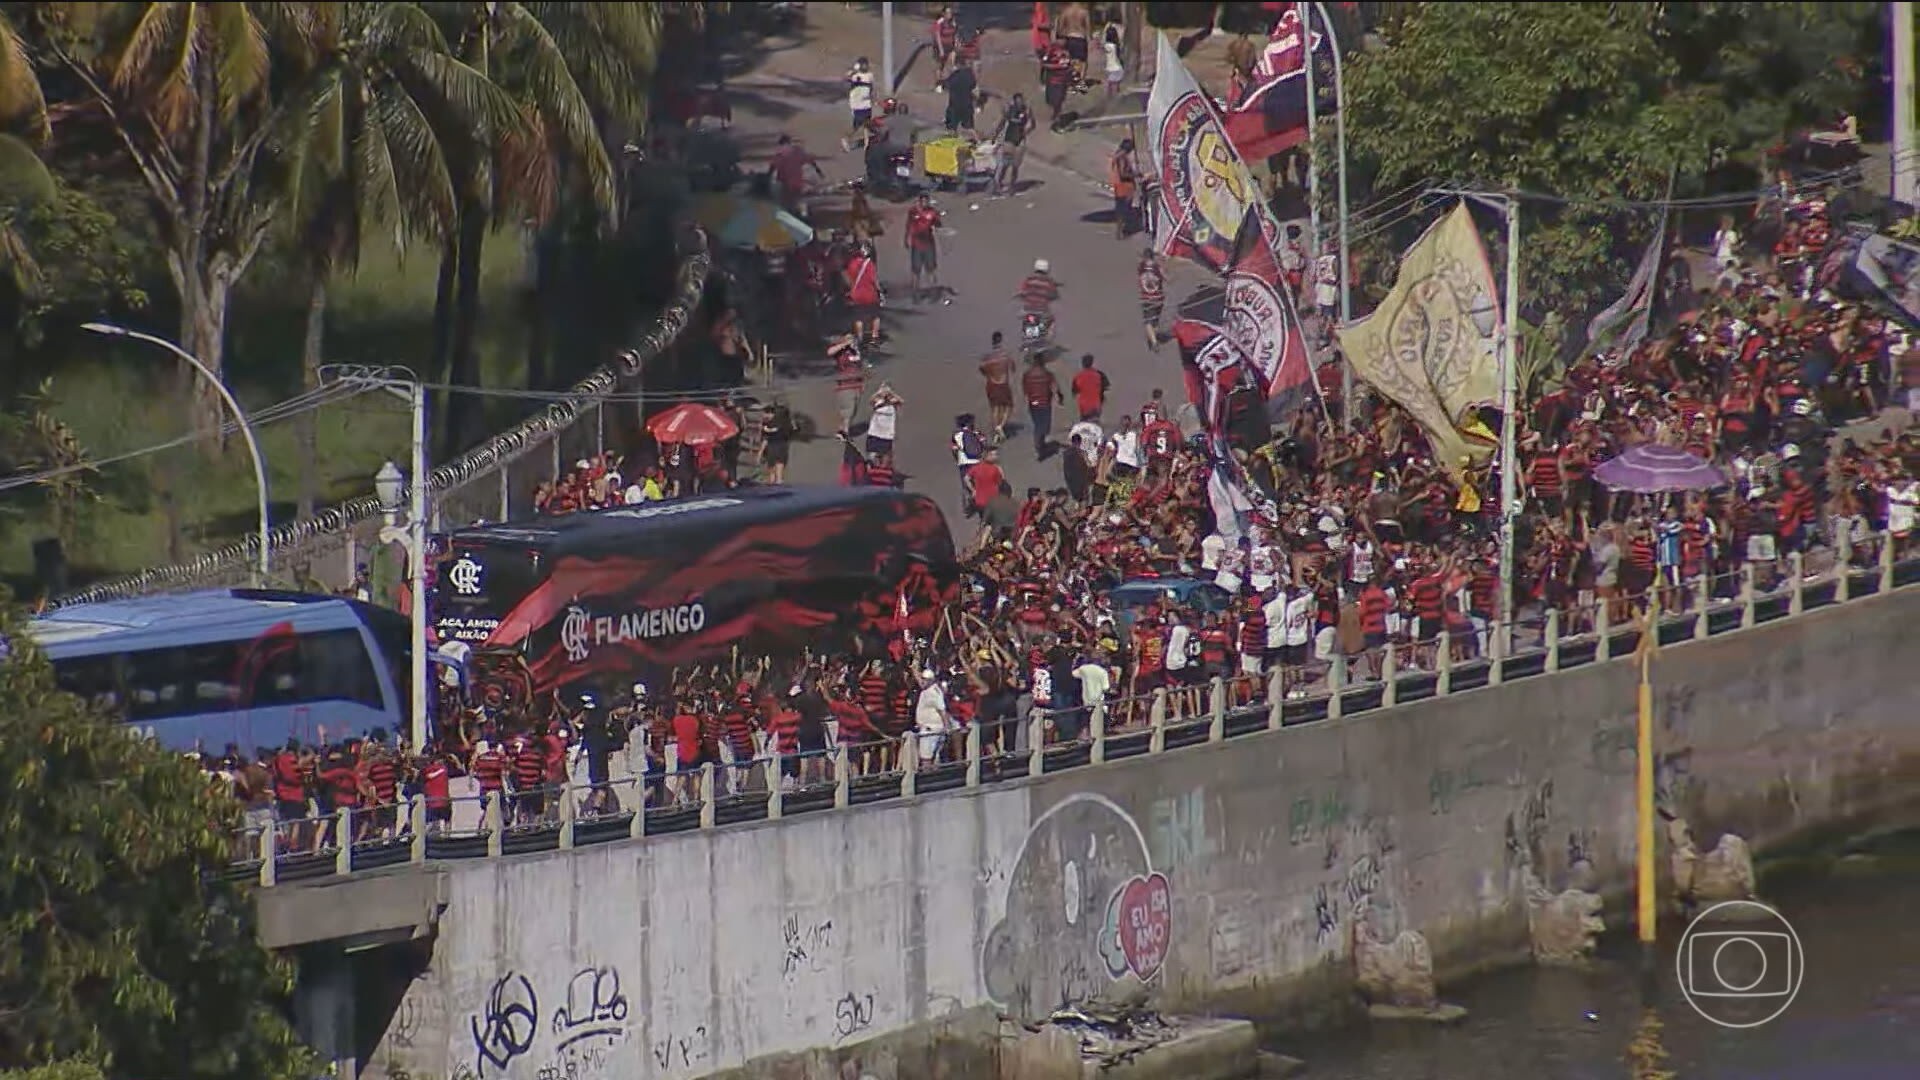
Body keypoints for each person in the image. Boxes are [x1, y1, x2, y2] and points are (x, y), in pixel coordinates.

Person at [1022, 353, 1064, 457]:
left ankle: (1040, 444)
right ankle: (1039, 446)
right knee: (1044, 425)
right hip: (1045, 402)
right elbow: (1055, 386)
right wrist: (1059, 397)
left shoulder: (1027, 374)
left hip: (1033, 402)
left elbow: (1025, 389)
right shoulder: (1047, 374)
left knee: (1037, 423)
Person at [994, 93, 1036, 197]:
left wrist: (1026, 132)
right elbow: (1002, 123)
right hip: (1009, 139)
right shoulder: (1010, 110)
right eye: (1017, 100)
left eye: (1021, 100)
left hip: (1020, 140)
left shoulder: (1026, 110)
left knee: (1015, 166)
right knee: (1005, 164)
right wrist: (995, 136)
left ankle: (1012, 186)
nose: (1019, 102)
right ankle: (998, 185)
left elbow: (1033, 123)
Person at [770, 134, 824, 213]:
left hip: (784, 182)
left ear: (781, 143)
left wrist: (767, 176)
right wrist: (819, 171)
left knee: (785, 203)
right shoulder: (798, 151)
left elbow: (773, 166)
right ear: (789, 142)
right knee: (798, 200)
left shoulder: (780, 153)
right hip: (797, 181)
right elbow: (811, 161)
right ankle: (803, 215)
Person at [979, 331, 1017, 443]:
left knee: (995, 408)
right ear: (1000, 340)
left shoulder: (987, 357)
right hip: (1003, 383)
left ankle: (997, 430)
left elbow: (982, 369)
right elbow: (1013, 367)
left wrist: (989, 374)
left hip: (991, 383)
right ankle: (1000, 427)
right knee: (1008, 407)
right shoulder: (1005, 355)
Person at [904, 193, 943, 302]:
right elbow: (908, 226)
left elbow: (938, 224)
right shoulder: (913, 212)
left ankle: (933, 293)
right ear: (920, 201)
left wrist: (937, 219)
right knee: (916, 270)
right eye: (923, 201)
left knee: (931, 269)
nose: (925, 203)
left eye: (927, 201)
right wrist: (906, 239)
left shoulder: (932, 212)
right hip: (916, 244)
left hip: (929, 244)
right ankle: (915, 294)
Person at [843, 241, 882, 345]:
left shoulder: (851, 264)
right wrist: (880, 290)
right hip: (870, 294)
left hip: (856, 295)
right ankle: (874, 336)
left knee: (858, 317)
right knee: (875, 315)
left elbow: (847, 279)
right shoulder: (869, 264)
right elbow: (874, 280)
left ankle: (860, 338)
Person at [829, 333, 866, 437]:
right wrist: (844, 344)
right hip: (845, 385)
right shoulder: (841, 351)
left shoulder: (856, 352)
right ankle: (846, 433)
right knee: (848, 410)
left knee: (853, 410)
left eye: (852, 339)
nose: (851, 341)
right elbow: (830, 352)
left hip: (856, 385)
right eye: (849, 338)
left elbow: (860, 368)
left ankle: (842, 429)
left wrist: (862, 383)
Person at [1109, 139, 1139, 240]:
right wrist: (1135, 175)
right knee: (1124, 209)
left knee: (1120, 209)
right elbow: (1123, 174)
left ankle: (1120, 230)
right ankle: (1121, 230)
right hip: (1125, 187)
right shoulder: (1122, 158)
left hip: (1119, 186)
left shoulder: (1117, 155)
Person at [845, 57, 876, 151]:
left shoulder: (870, 75)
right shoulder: (854, 76)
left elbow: (872, 86)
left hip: (866, 104)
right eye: (862, 64)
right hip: (857, 104)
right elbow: (846, 78)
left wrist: (872, 97)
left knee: (867, 124)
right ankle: (846, 138)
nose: (865, 66)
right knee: (857, 125)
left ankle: (867, 144)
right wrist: (854, 70)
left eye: (866, 64)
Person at [762, 397, 795, 484]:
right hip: (782, 444)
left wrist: (760, 451)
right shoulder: (787, 421)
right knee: (779, 463)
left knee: (772, 465)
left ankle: (774, 481)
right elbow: (793, 430)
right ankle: (778, 480)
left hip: (773, 445)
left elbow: (766, 435)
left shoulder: (770, 423)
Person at [1137, 249, 1165, 350]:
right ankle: (1154, 337)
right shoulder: (1157, 267)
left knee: (1148, 321)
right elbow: (1165, 277)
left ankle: (1154, 342)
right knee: (1155, 320)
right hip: (1158, 297)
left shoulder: (1141, 266)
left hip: (1146, 298)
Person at [867, 382, 903, 458]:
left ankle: (884, 465)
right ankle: (870, 464)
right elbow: (870, 401)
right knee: (873, 451)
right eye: (883, 389)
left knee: (885, 452)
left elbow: (901, 401)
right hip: (875, 430)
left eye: (886, 389)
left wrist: (891, 394)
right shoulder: (878, 400)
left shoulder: (893, 401)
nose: (885, 391)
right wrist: (878, 393)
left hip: (887, 432)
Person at [944, 57, 978, 134]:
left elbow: (945, 86)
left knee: (950, 129)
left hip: (954, 107)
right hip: (967, 106)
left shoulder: (954, 75)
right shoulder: (970, 74)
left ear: (957, 64)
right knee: (970, 129)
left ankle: (950, 142)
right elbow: (974, 89)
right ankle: (977, 142)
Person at [1071, 353, 1109, 420]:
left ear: (1082, 364)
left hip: (1083, 406)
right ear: (1092, 363)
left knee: (1085, 425)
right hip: (1096, 405)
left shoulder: (1078, 377)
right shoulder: (1099, 375)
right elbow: (1106, 386)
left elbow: (1074, 391)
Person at [932, 7, 959, 84]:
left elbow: (955, 34)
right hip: (940, 46)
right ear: (943, 14)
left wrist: (956, 43)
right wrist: (941, 50)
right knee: (940, 66)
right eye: (947, 13)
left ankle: (953, 80)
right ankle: (938, 83)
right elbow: (937, 36)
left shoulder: (953, 22)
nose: (949, 14)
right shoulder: (939, 22)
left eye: (950, 13)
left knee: (952, 60)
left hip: (950, 46)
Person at [1102, 22, 1125, 99]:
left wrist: (1106, 28)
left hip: (1109, 68)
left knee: (1108, 86)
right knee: (1116, 88)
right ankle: (1115, 102)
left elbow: (1102, 39)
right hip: (1117, 67)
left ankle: (1108, 101)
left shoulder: (1106, 46)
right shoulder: (1117, 46)